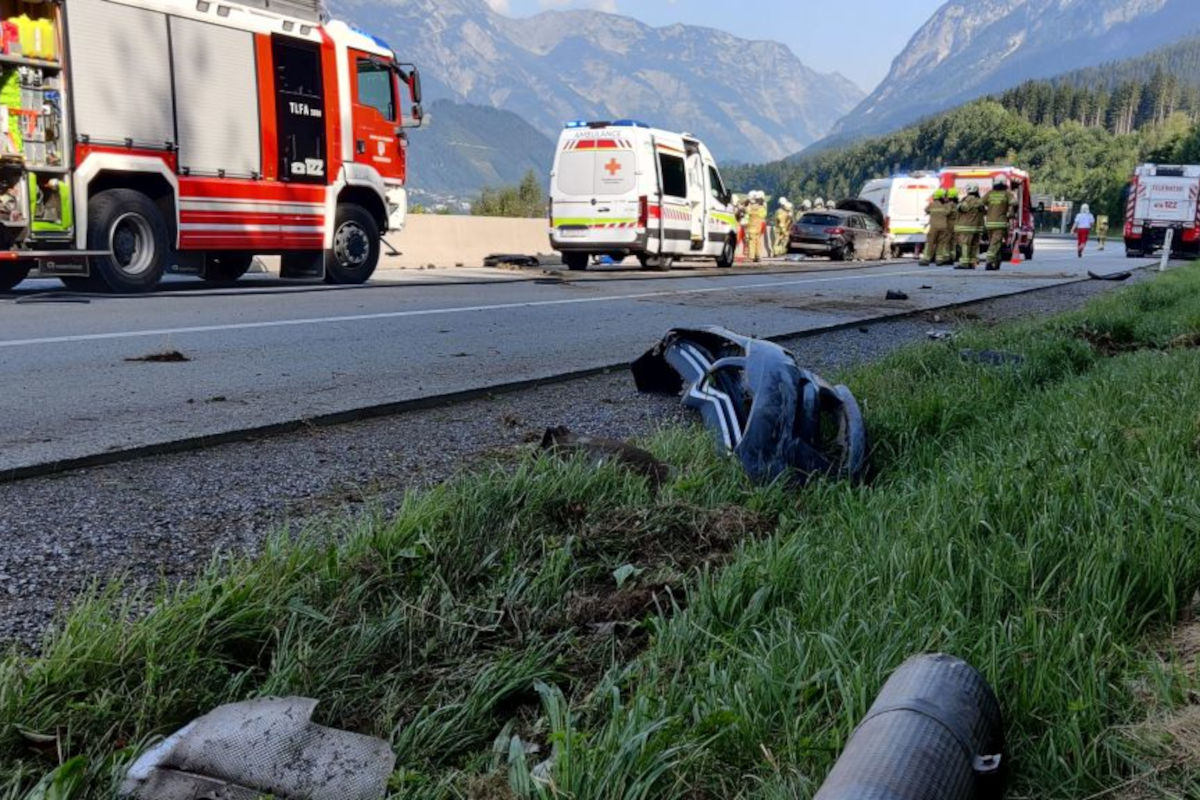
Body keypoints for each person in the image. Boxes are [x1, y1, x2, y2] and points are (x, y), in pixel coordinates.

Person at [983, 177, 1014, 271]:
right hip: (1000, 223)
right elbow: (1015, 203)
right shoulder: (1007, 194)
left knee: (995, 243)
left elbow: (980, 203)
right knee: (995, 244)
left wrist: (987, 212)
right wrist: (1010, 213)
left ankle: (996, 263)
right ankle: (989, 261)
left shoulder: (989, 194)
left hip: (989, 223)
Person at [955, 185, 986, 270]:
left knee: (965, 245)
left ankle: (964, 263)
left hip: (966, 227)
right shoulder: (980, 201)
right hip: (977, 227)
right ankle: (972, 263)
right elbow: (984, 212)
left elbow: (960, 209)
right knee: (974, 245)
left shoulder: (965, 200)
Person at [921, 189, 951, 266]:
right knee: (941, 243)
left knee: (930, 243)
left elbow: (926, 210)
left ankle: (926, 259)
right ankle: (939, 260)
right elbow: (948, 212)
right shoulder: (945, 205)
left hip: (933, 227)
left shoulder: (932, 205)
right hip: (943, 227)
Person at [745, 191, 768, 263]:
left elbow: (746, 211)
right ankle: (758, 256)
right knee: (758, 242)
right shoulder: (762, 207)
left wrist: (747, 203)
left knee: (751, 242)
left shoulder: (751, 207)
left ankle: (751, 257)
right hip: (758, 227)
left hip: (751, 227)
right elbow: (764, 215)